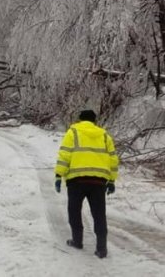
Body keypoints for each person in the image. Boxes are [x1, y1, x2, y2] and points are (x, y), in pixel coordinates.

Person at [54, 109, 118, 259]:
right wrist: (112, 180)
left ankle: (77, 241)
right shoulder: (104, 135)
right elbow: (113, 159)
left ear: (80, 119)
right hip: (99, 181)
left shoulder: (73, 132)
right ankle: (102, 249)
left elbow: (64, 155)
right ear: (95, 121)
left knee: (74, 211)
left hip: (77, 180)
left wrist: (58, 175)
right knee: (99, 214)